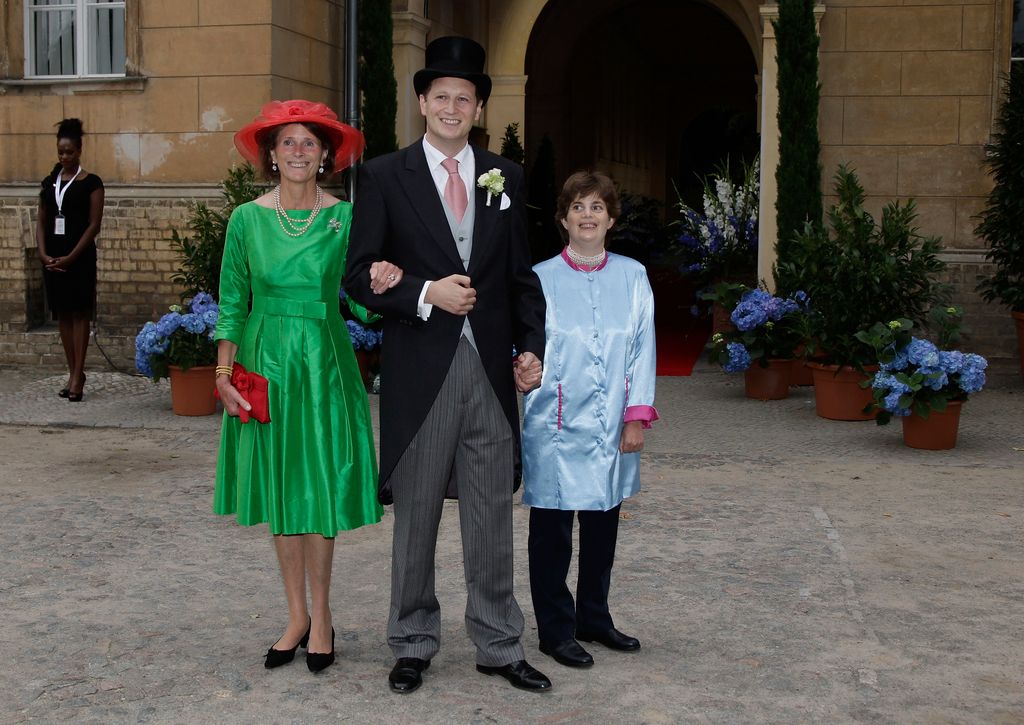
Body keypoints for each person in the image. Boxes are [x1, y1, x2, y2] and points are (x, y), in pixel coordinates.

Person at [344, 37, 551, 694]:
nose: (452, 107)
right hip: (421, 368)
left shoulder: (505, 178)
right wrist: (424, 293)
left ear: (479, 105)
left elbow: (521, 278)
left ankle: (497, 640)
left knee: (490, 510)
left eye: (465, 96)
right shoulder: (383, 175)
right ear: (422, 102)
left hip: (489, 368)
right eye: (441, 96)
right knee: (418, 514)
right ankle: (411, 639)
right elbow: (357, 275)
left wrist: (532, 345)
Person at [214, 100, 402, 673]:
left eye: (309, 143)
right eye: (288, 142)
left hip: (323, 364)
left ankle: (322, 617)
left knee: (317, 487)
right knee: (280, 489)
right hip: (263, 360)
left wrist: (385, 283)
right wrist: (223, 373)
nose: (298, 151)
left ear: (325, 156)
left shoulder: (345, 218)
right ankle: (294, 615)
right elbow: (231, 302)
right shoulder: (246, 220)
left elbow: (361, 300)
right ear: (271, 154)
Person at [521, 171, 659, 669]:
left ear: (611, 219)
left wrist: (635, 416)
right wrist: (521, 364)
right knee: (552, 533)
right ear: (563, 219)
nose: (587, 215)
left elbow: (643, 348)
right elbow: (524, 342)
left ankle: (594, 619)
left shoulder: (633, 275)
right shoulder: (538, 277)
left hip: (613, 426)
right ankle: (555, 631)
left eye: (596, 207)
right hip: (554, 425)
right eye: (578, 206)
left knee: (603, 527)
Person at [36, 118, 105, 402]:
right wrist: (43, 255)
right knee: (62, 314)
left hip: (79, 258)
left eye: (70, 152)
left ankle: (78, 374)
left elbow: (93, 225)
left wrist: (71, 257)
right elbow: (40, 221)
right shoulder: (49, 183)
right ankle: (71, 370)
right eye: (61, 152)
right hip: (53, 259)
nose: (65, 157)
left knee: (80, 314)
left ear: (79, 150)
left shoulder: (91, 183)